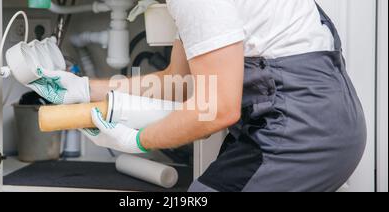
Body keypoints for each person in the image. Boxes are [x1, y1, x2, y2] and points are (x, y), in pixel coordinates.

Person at [27, 0, 367, 192]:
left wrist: (136, 140)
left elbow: (216, 110)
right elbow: (178, 81)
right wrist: (84, 88)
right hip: (316, 117)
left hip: (300, 130)